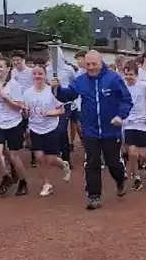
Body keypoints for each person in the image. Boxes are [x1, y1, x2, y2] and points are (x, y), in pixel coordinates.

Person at [53, 50, 132, 210]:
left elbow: (126, 100)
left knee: (112, 162)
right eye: (87, 64)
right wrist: (57, 89)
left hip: (111, 129)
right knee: (92, 162)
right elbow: (67, 96)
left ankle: (120, 179)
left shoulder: (113, 79)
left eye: (93, 64)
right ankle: (93, 196)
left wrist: (120, 116)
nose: (90, 67)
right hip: (90, 129)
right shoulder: (81, 80)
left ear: (101, 62)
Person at [23, 64, 72, 196]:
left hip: (50, 128)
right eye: (34, 74)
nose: (37, 76)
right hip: (35, 128)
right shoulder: (27, 93)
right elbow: (26, 113)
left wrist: (50, 112)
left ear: (45, 75)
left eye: (40, 74)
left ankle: (63, 165)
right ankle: (46, 183)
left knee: (50, 159)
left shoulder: (52, 91)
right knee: (39, 157)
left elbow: (61, 110)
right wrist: (25, 113)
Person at [0, 56, 30, 196]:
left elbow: (20, 106)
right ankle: (6, 178)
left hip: (14, 123)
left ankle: (23, 181)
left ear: (8, 69)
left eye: (0, 66)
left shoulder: (14, 85)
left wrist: (6, 98)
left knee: (13, 156)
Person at [121, 60, 146, 191]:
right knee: (132, 152)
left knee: (143, 155)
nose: (128, 77)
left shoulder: (143, 86)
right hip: (128, 122)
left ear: (136, 74)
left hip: (142, 122)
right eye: (126, 74)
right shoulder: (122, 87)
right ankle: (136, 178)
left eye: (131, 75)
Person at [46, 47, 77, 166]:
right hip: (51, 103)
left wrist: (73, 98)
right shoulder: (47, 69)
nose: (53, 57)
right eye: (51, 54)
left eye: (55, 54)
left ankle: (66, 157)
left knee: (61, 129)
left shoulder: (68, 69)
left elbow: (75, 82)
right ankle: (55, 153)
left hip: (65, 104)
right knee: (53, 129)